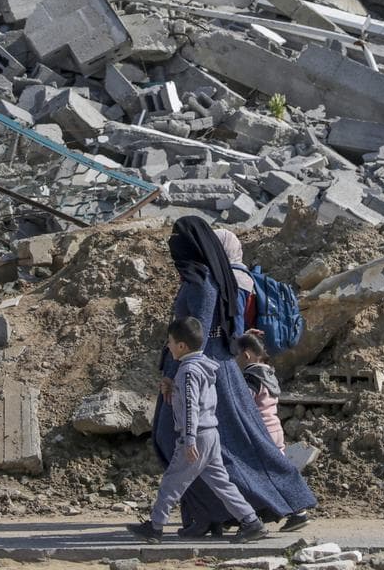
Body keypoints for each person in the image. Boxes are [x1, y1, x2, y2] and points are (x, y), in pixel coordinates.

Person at [153, 217, 317, 538]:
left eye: (179, 239)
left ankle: (279, 504)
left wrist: (174, 375)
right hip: (215, 369)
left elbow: (195, 337)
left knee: (208, 444)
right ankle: (206, 516)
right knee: (220, 445)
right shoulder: (205, 278)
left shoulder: (202, 282)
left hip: (204, 374)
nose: (174, 245)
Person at [128, 317, 268, 545]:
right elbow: (199, 401)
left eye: (170, 342)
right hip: (210, 433)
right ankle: (251, 522)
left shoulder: (187, 372)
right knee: (222, 484)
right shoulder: (202, 366)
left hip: (196, 436)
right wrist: (173, 391)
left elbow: (192, 407)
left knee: (172, 482)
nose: (168, 346)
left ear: (182, 346)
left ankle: (154, 528)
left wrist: (190, 439)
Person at [235, 332, 311, 531]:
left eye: (237, 355)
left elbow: (244, 403)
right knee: (277, 471)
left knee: (265, 475)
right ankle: (286, 511)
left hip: (263, 433)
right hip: (275, 429)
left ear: (246, 355)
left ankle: (296, 511)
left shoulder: (251, 377)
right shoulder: (268, 373)